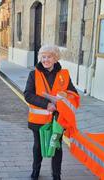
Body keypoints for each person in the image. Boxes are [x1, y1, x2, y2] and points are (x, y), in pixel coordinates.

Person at [24, 45, 79, 180]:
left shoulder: (64, 74)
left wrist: (64, 96)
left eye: (49, 57)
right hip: (38, 119)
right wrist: (46, 104)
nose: (45, 60)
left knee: (57, 147)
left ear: (55, 59)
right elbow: (28, 94)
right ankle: (35, 171)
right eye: (43, 57)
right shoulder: (34, 74)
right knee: (38, 146)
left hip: (58, 119)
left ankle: (56, 175)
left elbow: (73, 94)